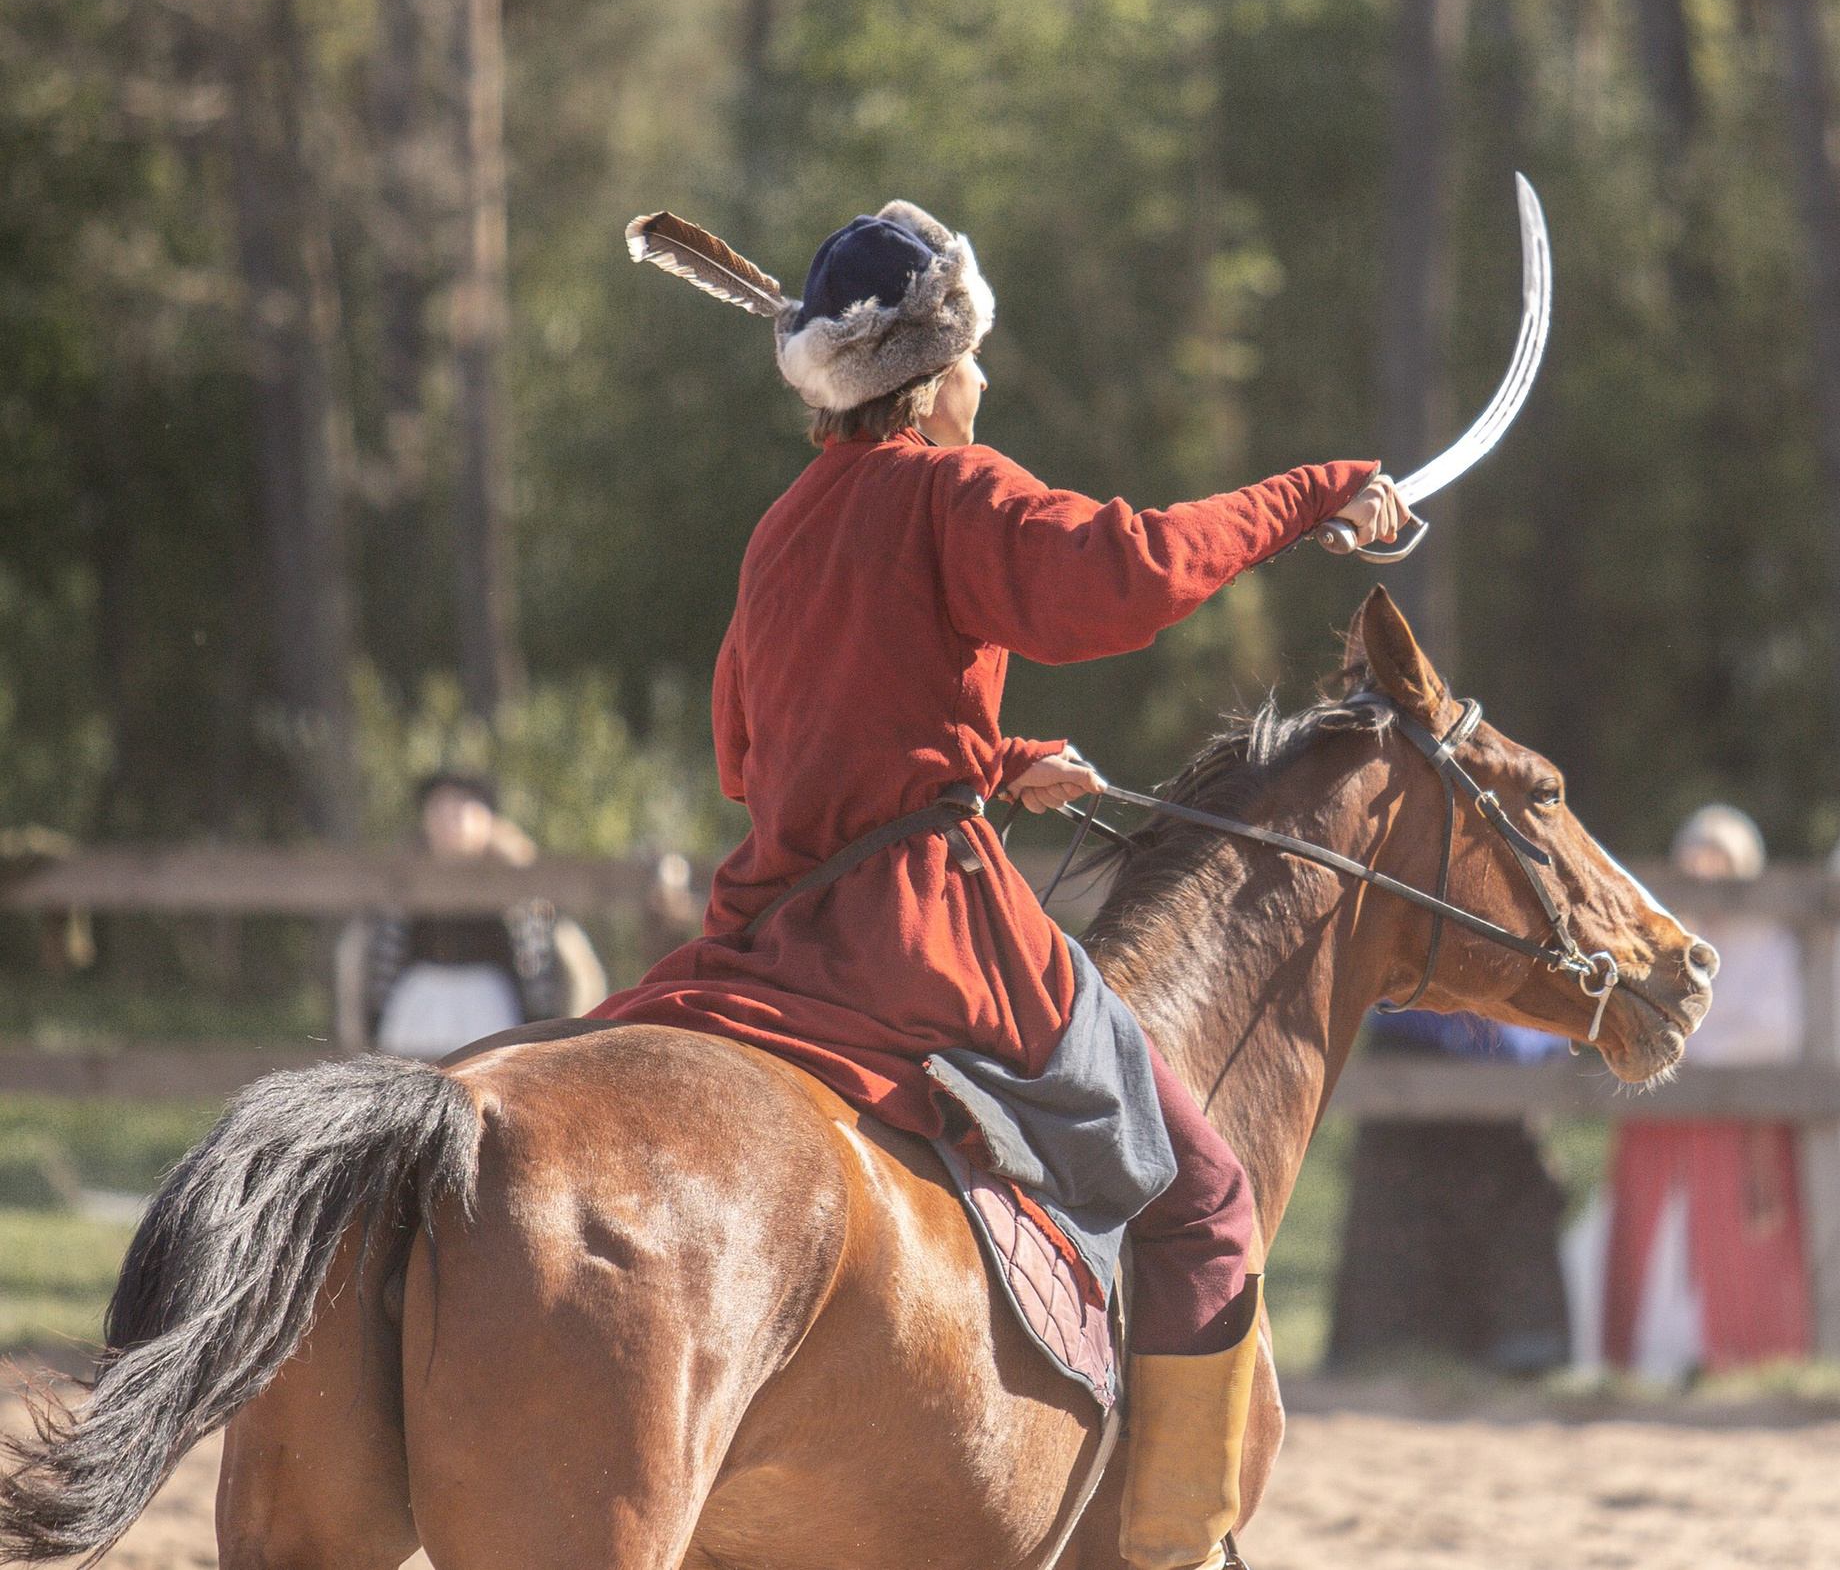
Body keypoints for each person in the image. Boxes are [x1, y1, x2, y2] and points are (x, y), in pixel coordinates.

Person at [595, 199, 1409, 1570]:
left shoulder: (783, 526)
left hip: (771, 924)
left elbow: (757, 752)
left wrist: (988, 755)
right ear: (928, 374)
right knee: (1206, 1193)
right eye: (975, 359)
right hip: (923, 933)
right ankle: (1170, 1545)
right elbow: (1125, 577)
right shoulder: (949, 486)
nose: (988, 383)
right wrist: (1312, 491)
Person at [1597, 802, 1810, 1379]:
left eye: (1721, 865)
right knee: (1651, 1239)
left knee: (1735, 1247)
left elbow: (1776, 1030)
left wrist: (1687, 1050)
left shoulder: (1768, 941)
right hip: (1659, 1115)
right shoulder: (1662, 942)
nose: (1708, 878)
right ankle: (1640, 1362)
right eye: (1698, 864)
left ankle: (1737, 1359)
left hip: (1738, 1122)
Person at [1325, 1008, 1573, 1376]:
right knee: (1397, 1214)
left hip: (1506, 1073)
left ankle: (1518, 1348)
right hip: (1414, 1057)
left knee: (1508, 1211)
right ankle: (1384, 1350)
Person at [334, 773, 606, 1059]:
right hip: (417, 1011)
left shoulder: (525, 890)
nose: (450, 821)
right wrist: (357, 1035)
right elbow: (359, 961)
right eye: (440, 811)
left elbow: (576, 969)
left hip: (494, 1012)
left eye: (461, 809)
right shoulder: (397, 884)